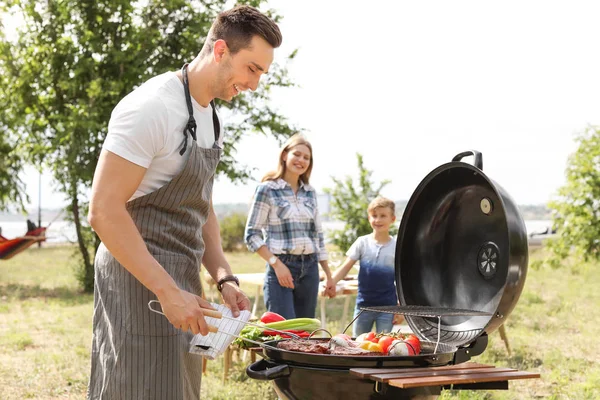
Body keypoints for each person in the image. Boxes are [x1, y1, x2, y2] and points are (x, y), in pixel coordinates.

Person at [86, 6, 282, 400]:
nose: (255, 83)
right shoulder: (150, 107)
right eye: (252, 69)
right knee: (133, 387)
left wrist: (223, 276)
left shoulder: (211, 118)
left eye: (262, 72)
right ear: (222, 50)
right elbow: (103, 211)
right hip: (136, 277)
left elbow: (201, 202)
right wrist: (165, 289)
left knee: (177, 388)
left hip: (182, 279)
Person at [244, 133, 335, 319]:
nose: (301, 160)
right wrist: (276, 264)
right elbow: (251, 235)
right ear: (285, 155)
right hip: (281, 267)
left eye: (306, 157)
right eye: (297, 154)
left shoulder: (310, 192)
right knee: (283, 333)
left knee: (304, 336)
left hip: (310, 269)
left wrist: (328, 275)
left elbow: (318, 236)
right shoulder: (267, 190)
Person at [329, 196, 400, 336]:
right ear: (369, 218)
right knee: (358, 344)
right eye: (374, 216)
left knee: (384, 345)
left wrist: (401, 307)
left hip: (388, 308)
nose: (378, 220)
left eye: (383, 216)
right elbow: (345, 267)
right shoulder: (362, 242)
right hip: (363, 306)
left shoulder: (397, 246)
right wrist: (331, 283)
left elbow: (403, 279)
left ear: (392, 219)